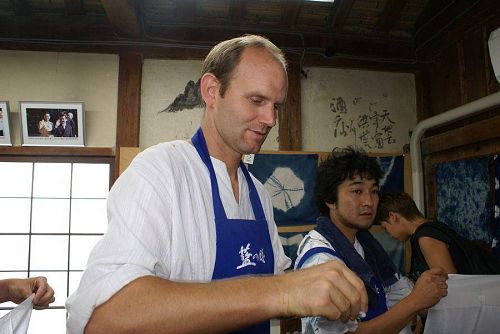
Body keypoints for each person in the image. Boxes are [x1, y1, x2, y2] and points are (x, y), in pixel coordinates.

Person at [66, 35, 369, 334]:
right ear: (212, 91)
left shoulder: (260, 195)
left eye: (276, 106)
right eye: (256, 100)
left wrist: (319, 297)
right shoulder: (161, 171)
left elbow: (274, 301)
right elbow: (105, 317)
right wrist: (281, 292)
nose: (270, 119)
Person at [295, 148, 448, 334]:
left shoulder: (363, 241)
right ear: (330, 199)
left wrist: (423, 298)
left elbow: (394, 296)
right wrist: (415, 302)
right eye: (357, 191)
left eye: (374, 191)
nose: (369, 201)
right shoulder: (320, 260)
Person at [377, 191, 500, 278]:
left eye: (385, 227)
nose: (389, 234)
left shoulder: (426, 237)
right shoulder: (435, 227)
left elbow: (451, 285)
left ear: (393, 217)